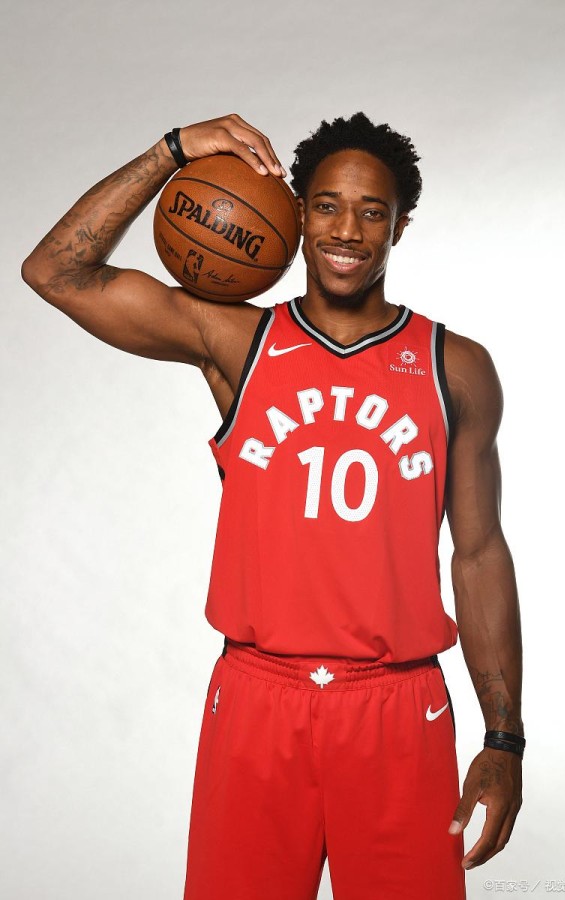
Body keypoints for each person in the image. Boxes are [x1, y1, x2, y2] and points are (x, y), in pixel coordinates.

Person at [21, 112, 524, 900]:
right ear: (296, 216)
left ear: (400, 226)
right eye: (326, 206)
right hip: (257, 699)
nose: (347, 230)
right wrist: (172, 151)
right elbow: (56, 271)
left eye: (372, 211)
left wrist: (504, 738)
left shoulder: (452, 367)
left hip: (398, 705)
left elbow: (480, 552)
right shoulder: (236, 341)